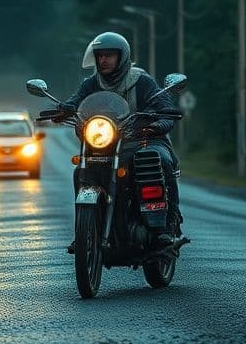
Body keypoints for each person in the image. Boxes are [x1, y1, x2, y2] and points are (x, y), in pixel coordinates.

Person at [61, 31, 182, 250]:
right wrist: (64, 108)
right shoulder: (90, 84)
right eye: (100, 56)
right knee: (81, 172)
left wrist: (158, 123)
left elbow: (165, 108)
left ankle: (163, 227)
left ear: (122, 57)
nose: (104, 60)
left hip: (143, 140)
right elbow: (75, 101)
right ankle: (84, 231)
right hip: (105, 144)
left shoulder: (142, 81)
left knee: (157, 161)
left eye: (109, 55)